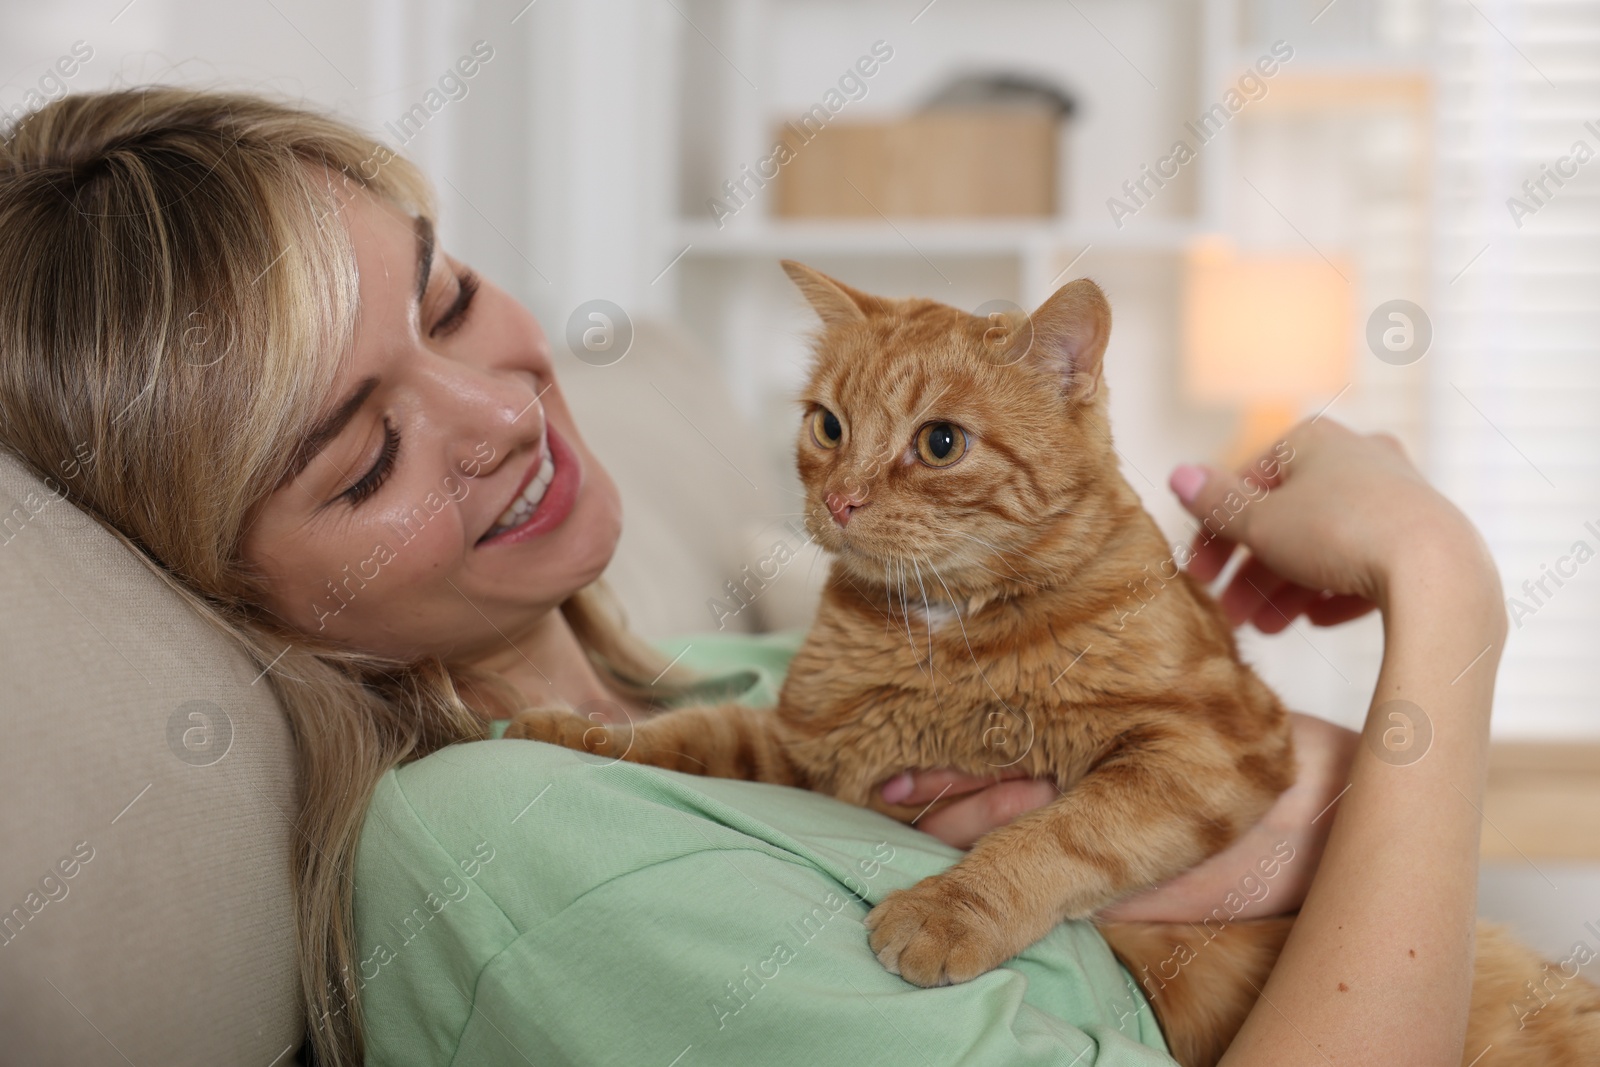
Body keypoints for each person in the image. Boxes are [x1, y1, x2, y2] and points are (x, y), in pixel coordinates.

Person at [0, 88, 1505, 1066]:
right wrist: (1442, 592)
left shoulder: (727, 685)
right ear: (233, 588)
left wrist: (1270, 813)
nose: (505, 411)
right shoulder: (500, 850)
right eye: (362, 457)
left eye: (447, 299)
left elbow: (1287, 803)